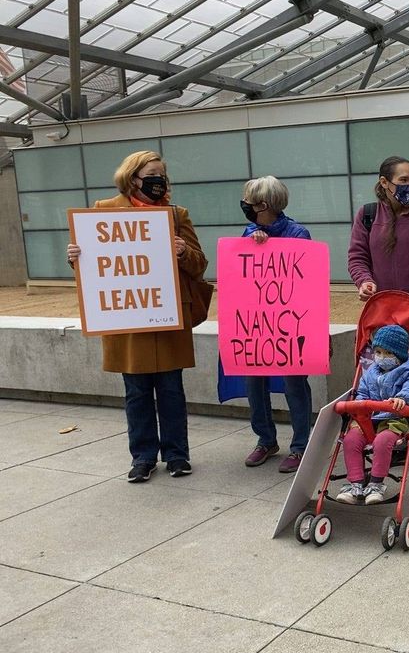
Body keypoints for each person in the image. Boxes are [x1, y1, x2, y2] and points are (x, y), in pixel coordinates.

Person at [66, 151, 207, 483]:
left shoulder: (176, 215)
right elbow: (96, 264)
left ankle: (176, 455)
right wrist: (76, 256)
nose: (160, 181)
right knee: (137, 393)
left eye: (163, 175)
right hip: (129, 319)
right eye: (153, 174)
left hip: (167, 315)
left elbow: (200, 265)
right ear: (133, 179)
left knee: (171, 390)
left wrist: (184, 252)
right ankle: (143, 457)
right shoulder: (102, 212)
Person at [347, 156, 409, 464]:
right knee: (380, 376)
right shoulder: (367, 216)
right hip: (382, 315)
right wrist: (363, 280)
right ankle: (388, 439)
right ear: (384, 182)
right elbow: (357, 256)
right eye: (403, 180)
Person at [237, 176, 313, 474]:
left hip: (290, 324)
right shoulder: (248, 231)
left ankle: (300, 445)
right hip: (256, 324)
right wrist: (252, 244)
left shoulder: (297, 234)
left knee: (294, 382)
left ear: (263, 205)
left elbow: (304, 278)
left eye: (248, 200)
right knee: (254, 381)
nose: (244, 205)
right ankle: (265, 439)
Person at [338, 324, 409, 505]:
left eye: (388, 353)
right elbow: (362, 392)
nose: (381, 357)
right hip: (369, 419)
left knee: (382, 441)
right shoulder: (371, 372)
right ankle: (356, 483)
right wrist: (359, 404)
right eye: (378, 352)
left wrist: (403, 398)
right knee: (350, 440)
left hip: (394, 419)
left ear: (400, 355)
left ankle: (376, 483)